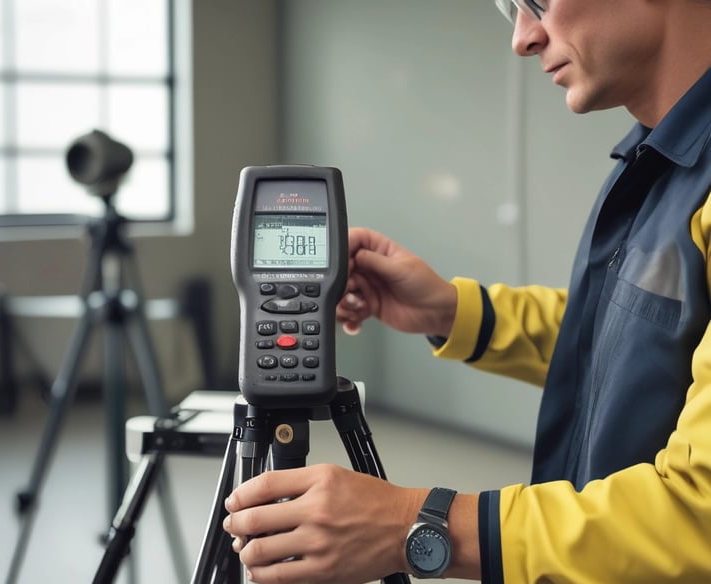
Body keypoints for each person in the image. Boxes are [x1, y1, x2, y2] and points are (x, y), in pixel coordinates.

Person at [223, 0, 711, 581]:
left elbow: (698, 515)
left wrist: (416, 523)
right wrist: (453, 311)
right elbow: (636, 342)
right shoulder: (661, 163)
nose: (523, 39)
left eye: (536, 2)